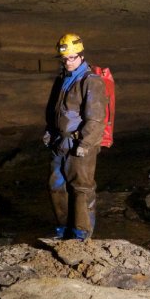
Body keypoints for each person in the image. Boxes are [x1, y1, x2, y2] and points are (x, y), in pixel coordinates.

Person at [43, 33, 108, 240]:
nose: (68, 62)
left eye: (72, 57)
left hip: (80, 142)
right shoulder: (62, 79)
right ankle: (64, 229)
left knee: (81, 188)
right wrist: (49, 131)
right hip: (60, 142)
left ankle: (81, 234)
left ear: (80, 56)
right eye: (65, 58)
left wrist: (86, 143)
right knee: (56, 185)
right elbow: (54, 110)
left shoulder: (91, 81)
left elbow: (97, 118)